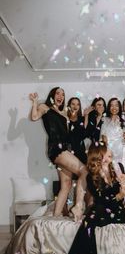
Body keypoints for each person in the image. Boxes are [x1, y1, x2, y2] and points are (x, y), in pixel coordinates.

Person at [29, 87, 87, 219]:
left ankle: (55, 218)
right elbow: (34, 117)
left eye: (63, 94)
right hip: (57, 149)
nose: (60, 96)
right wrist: (34, 102)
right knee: (84, 171)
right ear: (52, 95)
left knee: (66, 185)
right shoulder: (45, 107)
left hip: (65, 150)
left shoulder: (64, 113)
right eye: (58, 93)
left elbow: (72, 133)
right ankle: (78, 207)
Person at [100, 97, 125, 174]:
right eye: (112, 105)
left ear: (120, 107)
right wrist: (104, 141)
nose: (114, 108)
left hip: (122, 153)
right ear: (108, 107)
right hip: (109, 152)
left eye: (116, 105)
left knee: (122, 180)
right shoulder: (104, 119)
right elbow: (102, 136)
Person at [67, 97, 87, 165]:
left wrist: (86, 116)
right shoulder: (65, 119)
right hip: (69, 150)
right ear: (69, 106)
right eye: (73, 104)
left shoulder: (82, 119)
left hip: (81, 151)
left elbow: (84, 135)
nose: (75, 106)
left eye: (78, 104)